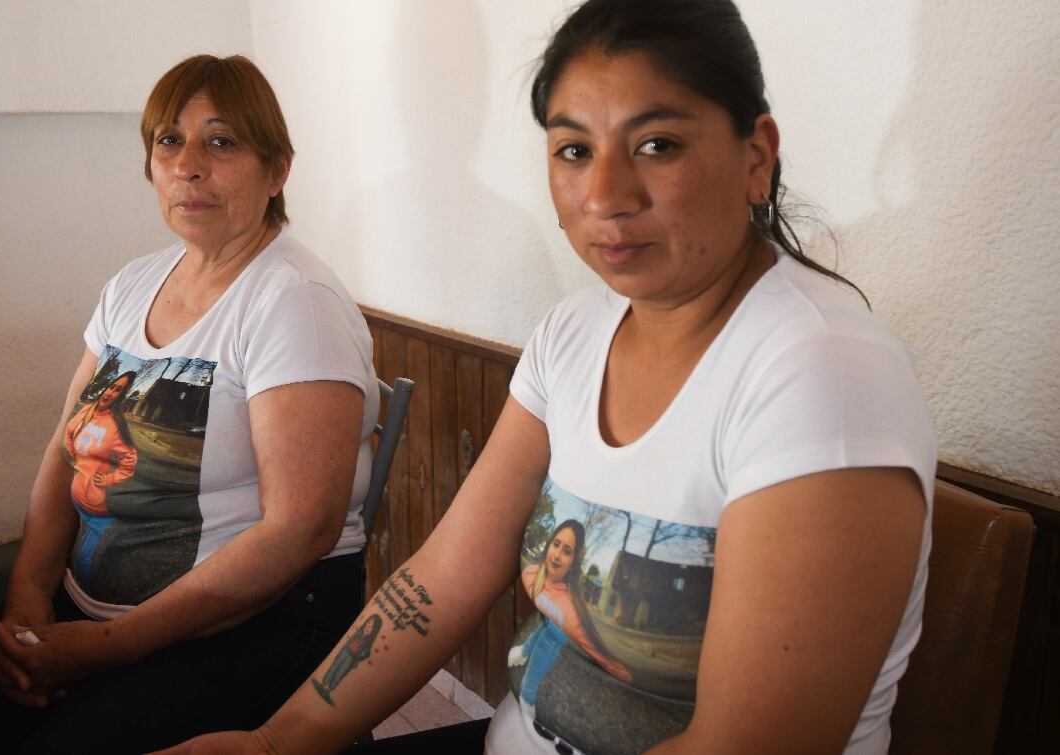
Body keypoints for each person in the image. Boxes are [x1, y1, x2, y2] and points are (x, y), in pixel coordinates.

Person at [161, 0, 936, 753]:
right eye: (573, 150)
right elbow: (442, 579)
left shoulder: (822, 373)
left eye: (658, 144)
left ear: (756, 158)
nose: (606, 196)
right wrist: (276, 741)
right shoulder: (573, 333)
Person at [0, 54, 380, 754]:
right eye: (168, 141)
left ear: (277, 170)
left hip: (254, 625)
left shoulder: (295, 304)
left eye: (222, 140)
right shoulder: (132, 284)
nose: (189, 165)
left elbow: (300, 530)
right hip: (89, 611)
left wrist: (103, 648)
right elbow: (65, 448)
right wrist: (29, 599)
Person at [509, 518, 630, 718]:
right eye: (556, 544)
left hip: (559, 627)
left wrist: (622, 673)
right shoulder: (531, 573)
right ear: (549, 544)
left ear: (574, 561)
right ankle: (526, 650)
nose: (557, 555)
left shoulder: (570, 611)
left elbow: (592, 645)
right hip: (548, 620)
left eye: (567, 551)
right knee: (549, 620)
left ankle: (527, 696)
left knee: (554, 630)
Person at [62, 370, 139, 588]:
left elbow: (129, 460)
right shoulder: (87, 411)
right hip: (79, 511)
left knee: (91, 566)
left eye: (119, 391)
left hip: (97, 510)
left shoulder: (114, 427)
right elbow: (68, 433)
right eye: (112, 386)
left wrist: (108, 479)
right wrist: (75, 457)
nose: (111, 393)